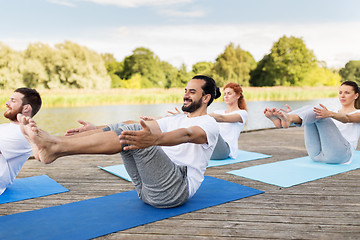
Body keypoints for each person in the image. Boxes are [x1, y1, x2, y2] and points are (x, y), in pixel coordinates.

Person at [17, 75, 220, 208]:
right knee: (131, 127)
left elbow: (187, 134)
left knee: (135, 133)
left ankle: (54, 147)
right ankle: (54, 143)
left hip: (174, 191)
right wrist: (96, 128)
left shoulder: (208, 123)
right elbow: (131, 122)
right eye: (185, 90)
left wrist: (155, 140)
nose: (185, 95)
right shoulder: (177, 118)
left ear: (205, 98)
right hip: (146, 190)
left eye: (192, 92)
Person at [264, 80, 360, 164]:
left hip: (341, 155)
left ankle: (289, 119)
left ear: (356, 95)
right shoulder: (333, 110)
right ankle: (286, 119)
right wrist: (297, 113)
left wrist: (330, 114)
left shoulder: (357, 112)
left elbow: (347, 118)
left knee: (318, 110)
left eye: (347, 93)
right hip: (316, 155)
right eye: (340, 92)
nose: (342, 95)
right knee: (311, 110)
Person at [0, 88, 42, 195]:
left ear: (26, 108)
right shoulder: (5, 127)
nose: (7, 103)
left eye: (13, 101)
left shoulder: (23, 133)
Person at [208, 82, 248, 160]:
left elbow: (222, 118)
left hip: (225, 151)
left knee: (210, 128)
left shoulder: (242, 113)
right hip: (211, 151)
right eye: (225, 94)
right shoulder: (218, 111)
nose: (226, 96)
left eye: (229, 93)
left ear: (238, 95)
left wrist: (199, 116)